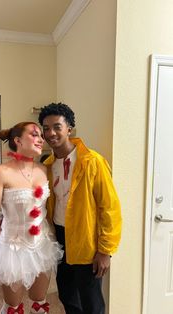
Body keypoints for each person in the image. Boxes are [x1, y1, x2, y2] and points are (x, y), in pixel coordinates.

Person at [0, 122, 63, 314]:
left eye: (41, 136)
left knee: (39, 301)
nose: (41, 139)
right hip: (12, 248)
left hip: (41, 245)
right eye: (34, 135)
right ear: (17, 140)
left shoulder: (45, 169)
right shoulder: (1, 172)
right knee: (13, 305)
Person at [38, 103, 122, 314]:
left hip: (87, 241)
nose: (51, 133)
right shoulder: (47, 165)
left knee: (91, 301)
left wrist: (105, 251)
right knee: (67, 294)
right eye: (46, 128)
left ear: (70, 129)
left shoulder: (92, 162)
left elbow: (109, 207)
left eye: (57, 126)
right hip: (60, 238)